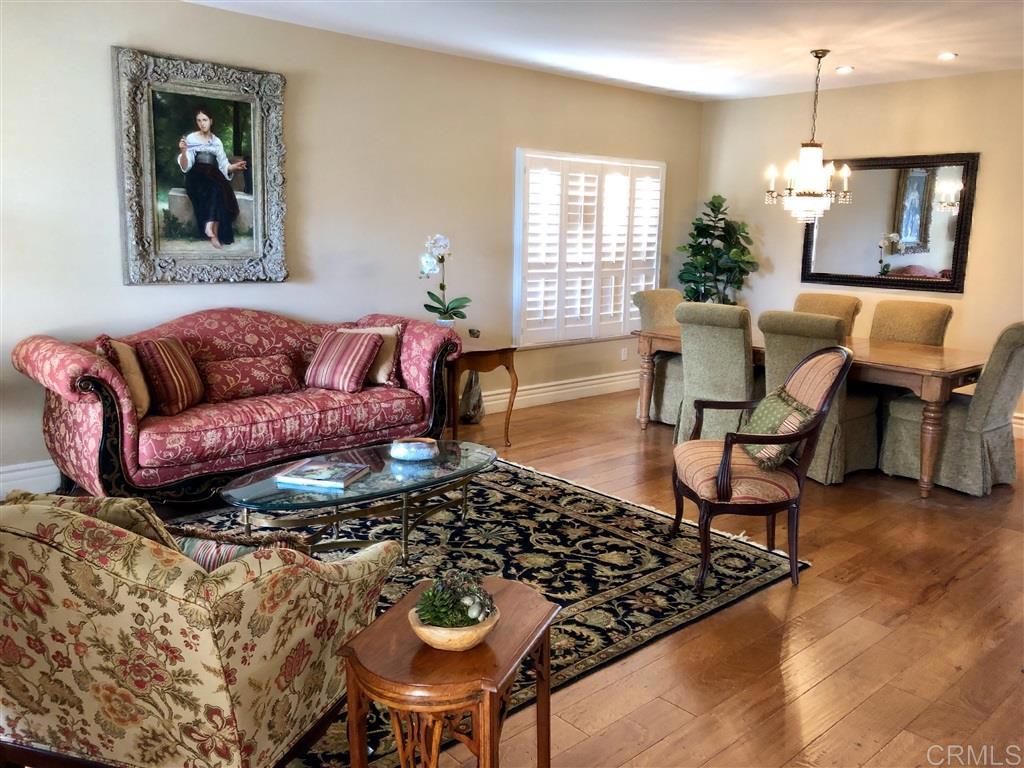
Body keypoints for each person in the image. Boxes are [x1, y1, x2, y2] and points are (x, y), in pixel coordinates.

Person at [176, 106, 247, 248]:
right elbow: (186, 166)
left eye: (205, 120)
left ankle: (211, 230)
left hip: (213, 174)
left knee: (220, 189)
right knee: (216, 187)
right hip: (196, 176)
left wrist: (235, 167)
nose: (202, 123)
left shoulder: (217, 141)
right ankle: (210, 228)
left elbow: (223, 165)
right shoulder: (191, 138)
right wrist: (184, 152)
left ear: (211, 121)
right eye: (199, 120)